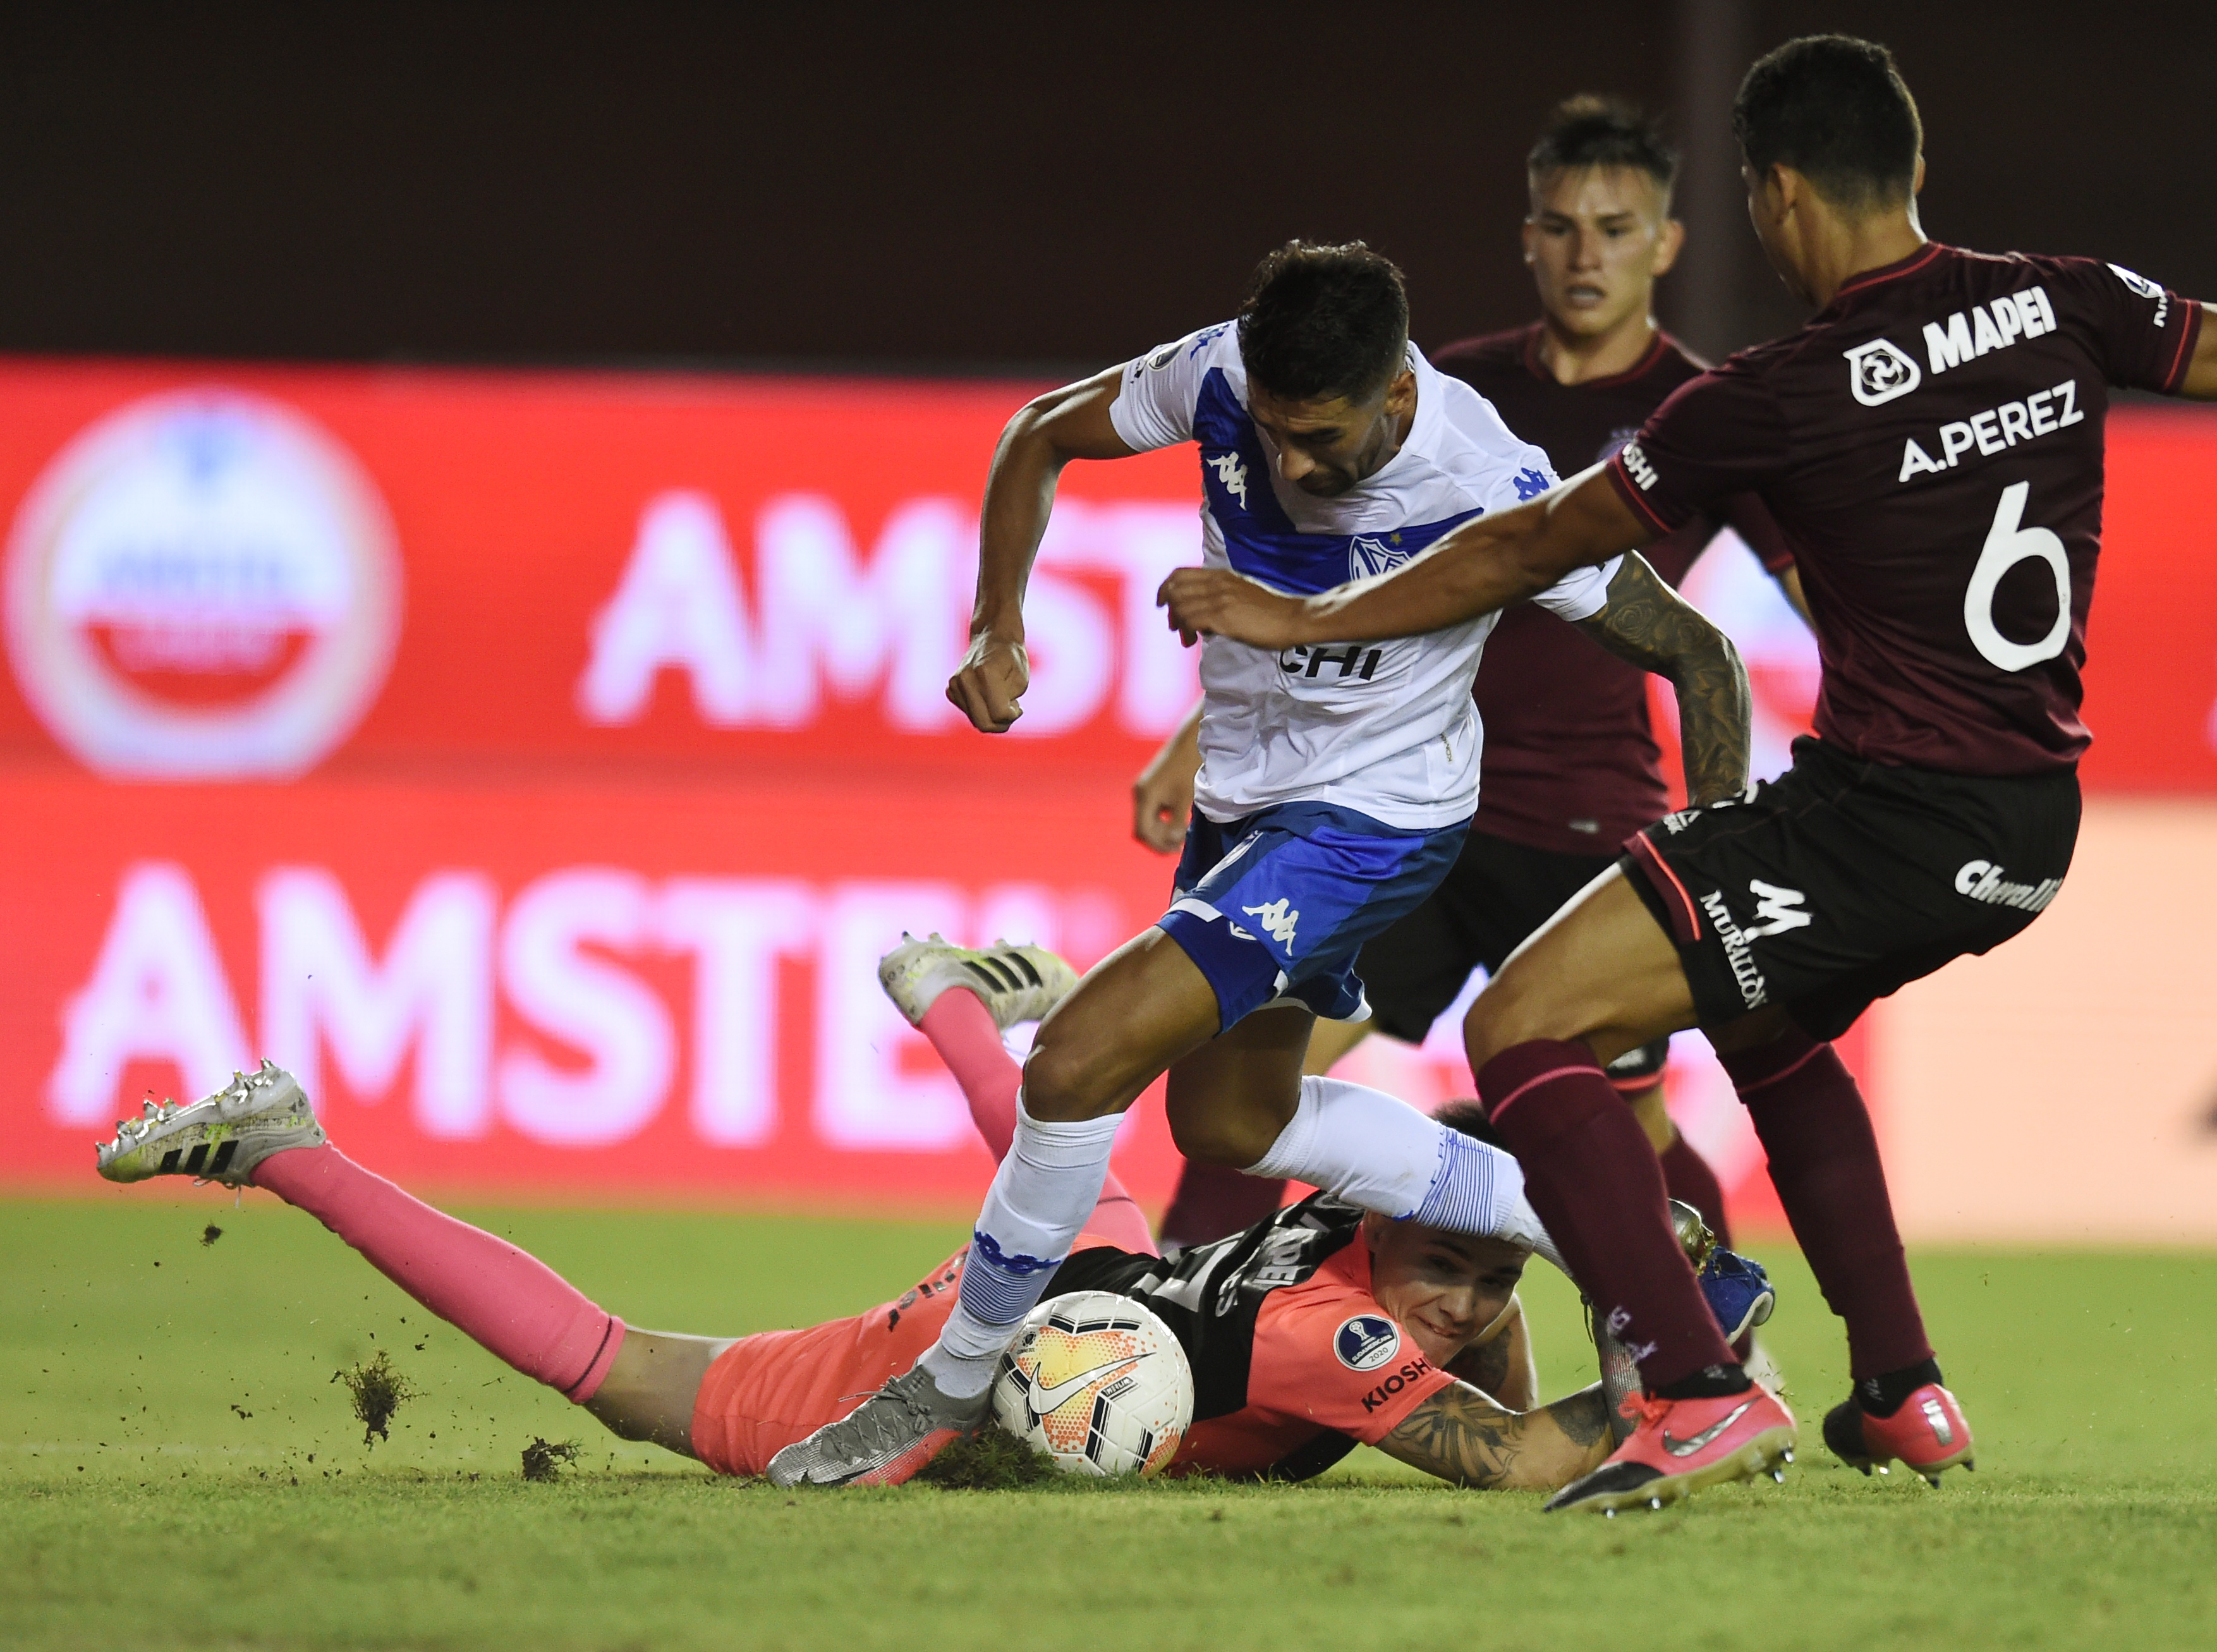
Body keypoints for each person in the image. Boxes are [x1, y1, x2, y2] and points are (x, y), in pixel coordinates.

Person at [1159, 33, 2217, 1514]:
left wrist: (1305, 615)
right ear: (1909, 166)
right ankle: (1899, 1387)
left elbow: (1526, 544)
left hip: (1882, 810)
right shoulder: (2063, 302)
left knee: (1524, 1023)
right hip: (2030, 818)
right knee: (1769, 1034)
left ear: (1768, 196)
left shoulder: (1767, 391)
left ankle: (1695, 1386)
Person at [920, 240, 1754, 1481]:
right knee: (1226, 1118)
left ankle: (944, 1388)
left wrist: (1710, 861)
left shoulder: (1492, 480)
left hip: (1380, 823)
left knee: (1084, 1053)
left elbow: (1700, 653)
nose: (1287, 464)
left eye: (1319, 440)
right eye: (1270, 431)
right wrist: (998, 621)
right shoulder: (1217, 373)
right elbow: (1041, 431)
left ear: (1397, 399)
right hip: (1242, 812)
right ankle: (1645, 1233)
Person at [88, 939, 1775, 1494]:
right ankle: (286, 1144)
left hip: (1107, 1281)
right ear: (1374, 1237)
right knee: (614, 1367)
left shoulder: (1337, 1251)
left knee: (1081, 1172)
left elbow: (1481, 1352)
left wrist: (1574, 1279)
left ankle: (940, 999)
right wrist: (1679, 1374)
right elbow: (1508, 1462)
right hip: (952, 1379)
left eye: (1491, 1274)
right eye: (1452, 1258)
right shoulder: (1330, 1333)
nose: (1472, 1302)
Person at [1138, 95, 1805, 1255]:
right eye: (1560, 224)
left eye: (1614, 225)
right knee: (1249, 1080)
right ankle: (1188, 1326)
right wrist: (1195, 744)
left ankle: (1712, 1339)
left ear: (1666, 243)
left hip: (1584, 817)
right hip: (1398, 799)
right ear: (1528, 237)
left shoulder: (1704, 414)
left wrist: (1732, 828)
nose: (1584, 252)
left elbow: (1807, 609)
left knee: (1622, 1117)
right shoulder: (1443, 390)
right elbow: (1320, 590)